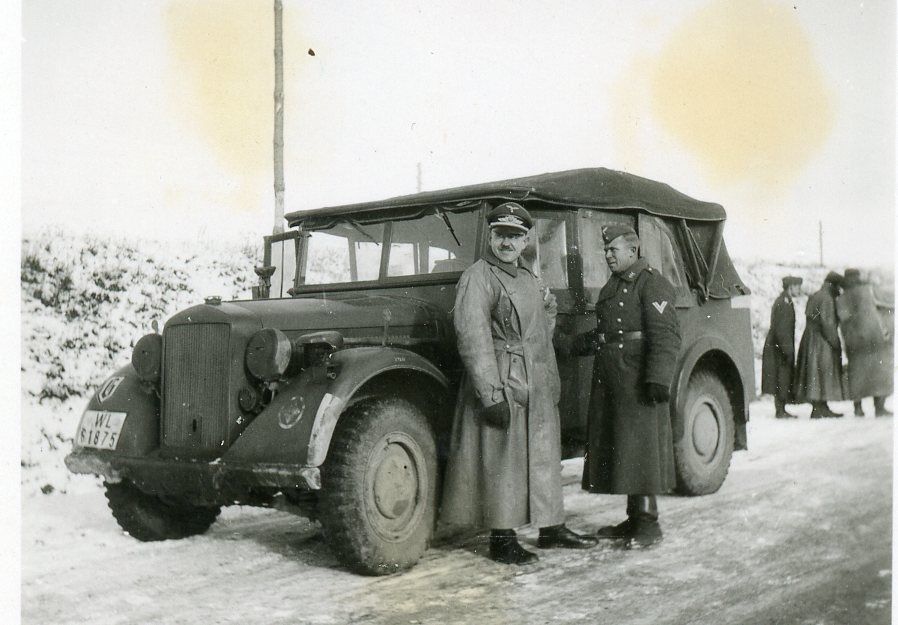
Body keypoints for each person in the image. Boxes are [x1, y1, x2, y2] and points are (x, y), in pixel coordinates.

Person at [441, 202, 597, 565]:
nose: (507, 243)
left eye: (515, 236)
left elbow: (543, 321)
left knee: (542, 456)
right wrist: (491, 393)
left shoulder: (528, 276)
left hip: (536, 380)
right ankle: (502, 538)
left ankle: (551, 527)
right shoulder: (478, 277)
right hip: (502, 379)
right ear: (490, 237)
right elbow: (473, 337)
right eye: (501, 235)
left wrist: (546, 315)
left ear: (526, 240)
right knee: (504, 460)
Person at [569, 224, 681, 548]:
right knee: (628, 450)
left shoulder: (652, 283)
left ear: (633, 250)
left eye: (613, 249)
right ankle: (634, 519)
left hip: (638, 381)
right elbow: (607, 332)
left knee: (641, 450)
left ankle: (648, 525)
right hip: (614, 380)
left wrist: (657, 379)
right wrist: (570, 344)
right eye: (605, 249)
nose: (607, 254)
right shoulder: (614, 285)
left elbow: (665, 335)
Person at [836, 268, 893, 417]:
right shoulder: (868, 290)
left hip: (854, 342)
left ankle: (858, 408)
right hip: (874, 338)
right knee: (878, 372)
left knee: (856, 374)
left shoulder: (841, 299)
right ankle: (879, 408)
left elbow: (843, 320)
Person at [793, 271, 847, 418]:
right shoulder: (827, 299)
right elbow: (828, 325)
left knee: (814, 373)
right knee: (822, 372)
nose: (839, 291)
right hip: (821, 341)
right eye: (839, 287)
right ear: (834, 285)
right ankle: (819, 408)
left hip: (810, 339)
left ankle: (820, 406)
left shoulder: (816, 295)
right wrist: (836, 344)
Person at [761, 276, 803, 418]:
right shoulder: (784, 303)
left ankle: (781, 409)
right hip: (779, 347)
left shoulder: (784, 300)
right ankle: (780, 411)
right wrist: (787, 350)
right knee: (781, 377)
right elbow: (782, 329)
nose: (799, 290)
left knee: (781, 378)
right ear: (790, 287)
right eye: (797, 286)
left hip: (778, 345)